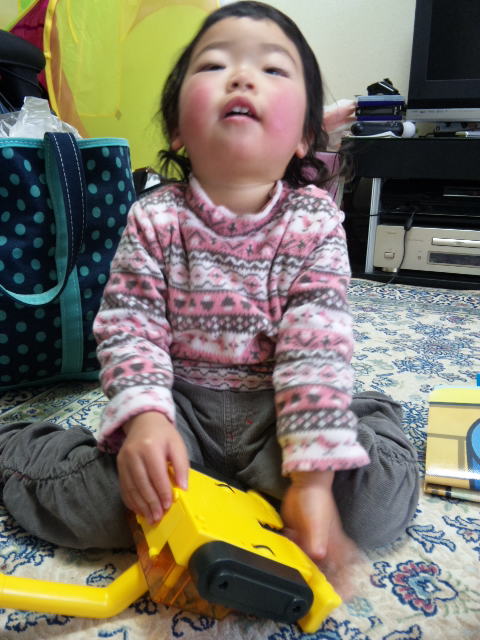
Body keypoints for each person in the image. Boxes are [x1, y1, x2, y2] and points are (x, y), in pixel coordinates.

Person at [0, 1, 418, 590]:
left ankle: (371, 412)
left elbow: (314, 349)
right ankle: (15, 444)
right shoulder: (154, 218)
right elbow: (129, 329)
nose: (242, 77)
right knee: (100, 506)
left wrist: (314, 480)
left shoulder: (315, 223)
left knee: (372, 508)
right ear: (177, 127)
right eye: (215, 64)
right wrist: (145, 420)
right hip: (180, 412)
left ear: (304, 136)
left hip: (280, 411)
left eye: (273, 69)